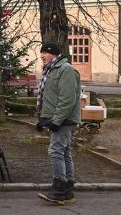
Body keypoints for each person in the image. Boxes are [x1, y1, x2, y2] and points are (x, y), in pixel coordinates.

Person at [35, 42, 80, 205]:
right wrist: (42, 119)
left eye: (45, 53)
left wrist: (56, 120)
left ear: (53, 54)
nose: (42, 56)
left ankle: (59, 188)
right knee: (64, 151)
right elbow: (47, 98)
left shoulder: (66, 69)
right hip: (56, 117)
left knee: (56, 151)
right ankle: (67, 189)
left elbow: (67, 99)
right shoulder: (50, 69)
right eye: (41, 53)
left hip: (64, 119)